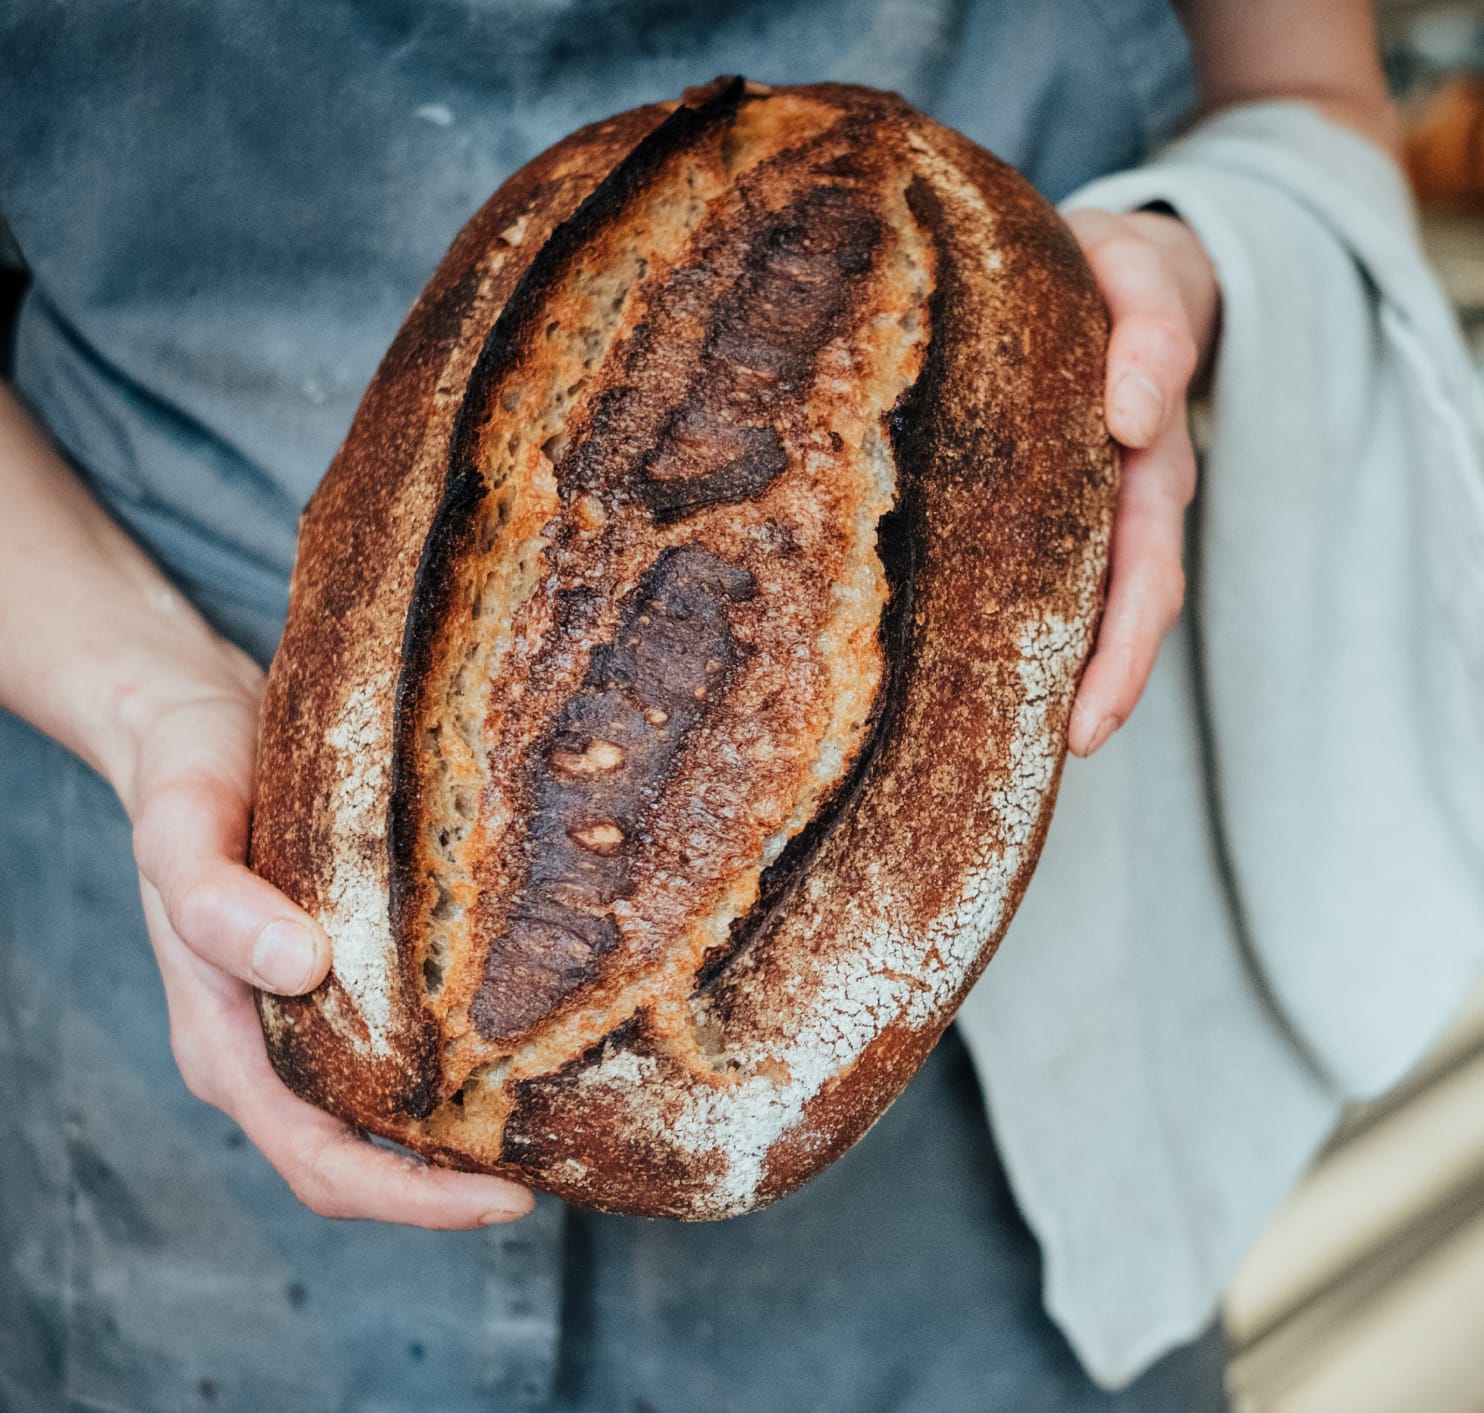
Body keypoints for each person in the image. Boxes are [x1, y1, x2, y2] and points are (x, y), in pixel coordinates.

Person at [3, 1, 1479, 1408]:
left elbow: (1306, 97)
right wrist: (136, 694)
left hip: (974, 1080)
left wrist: (1179, 278)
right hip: (179, 932)